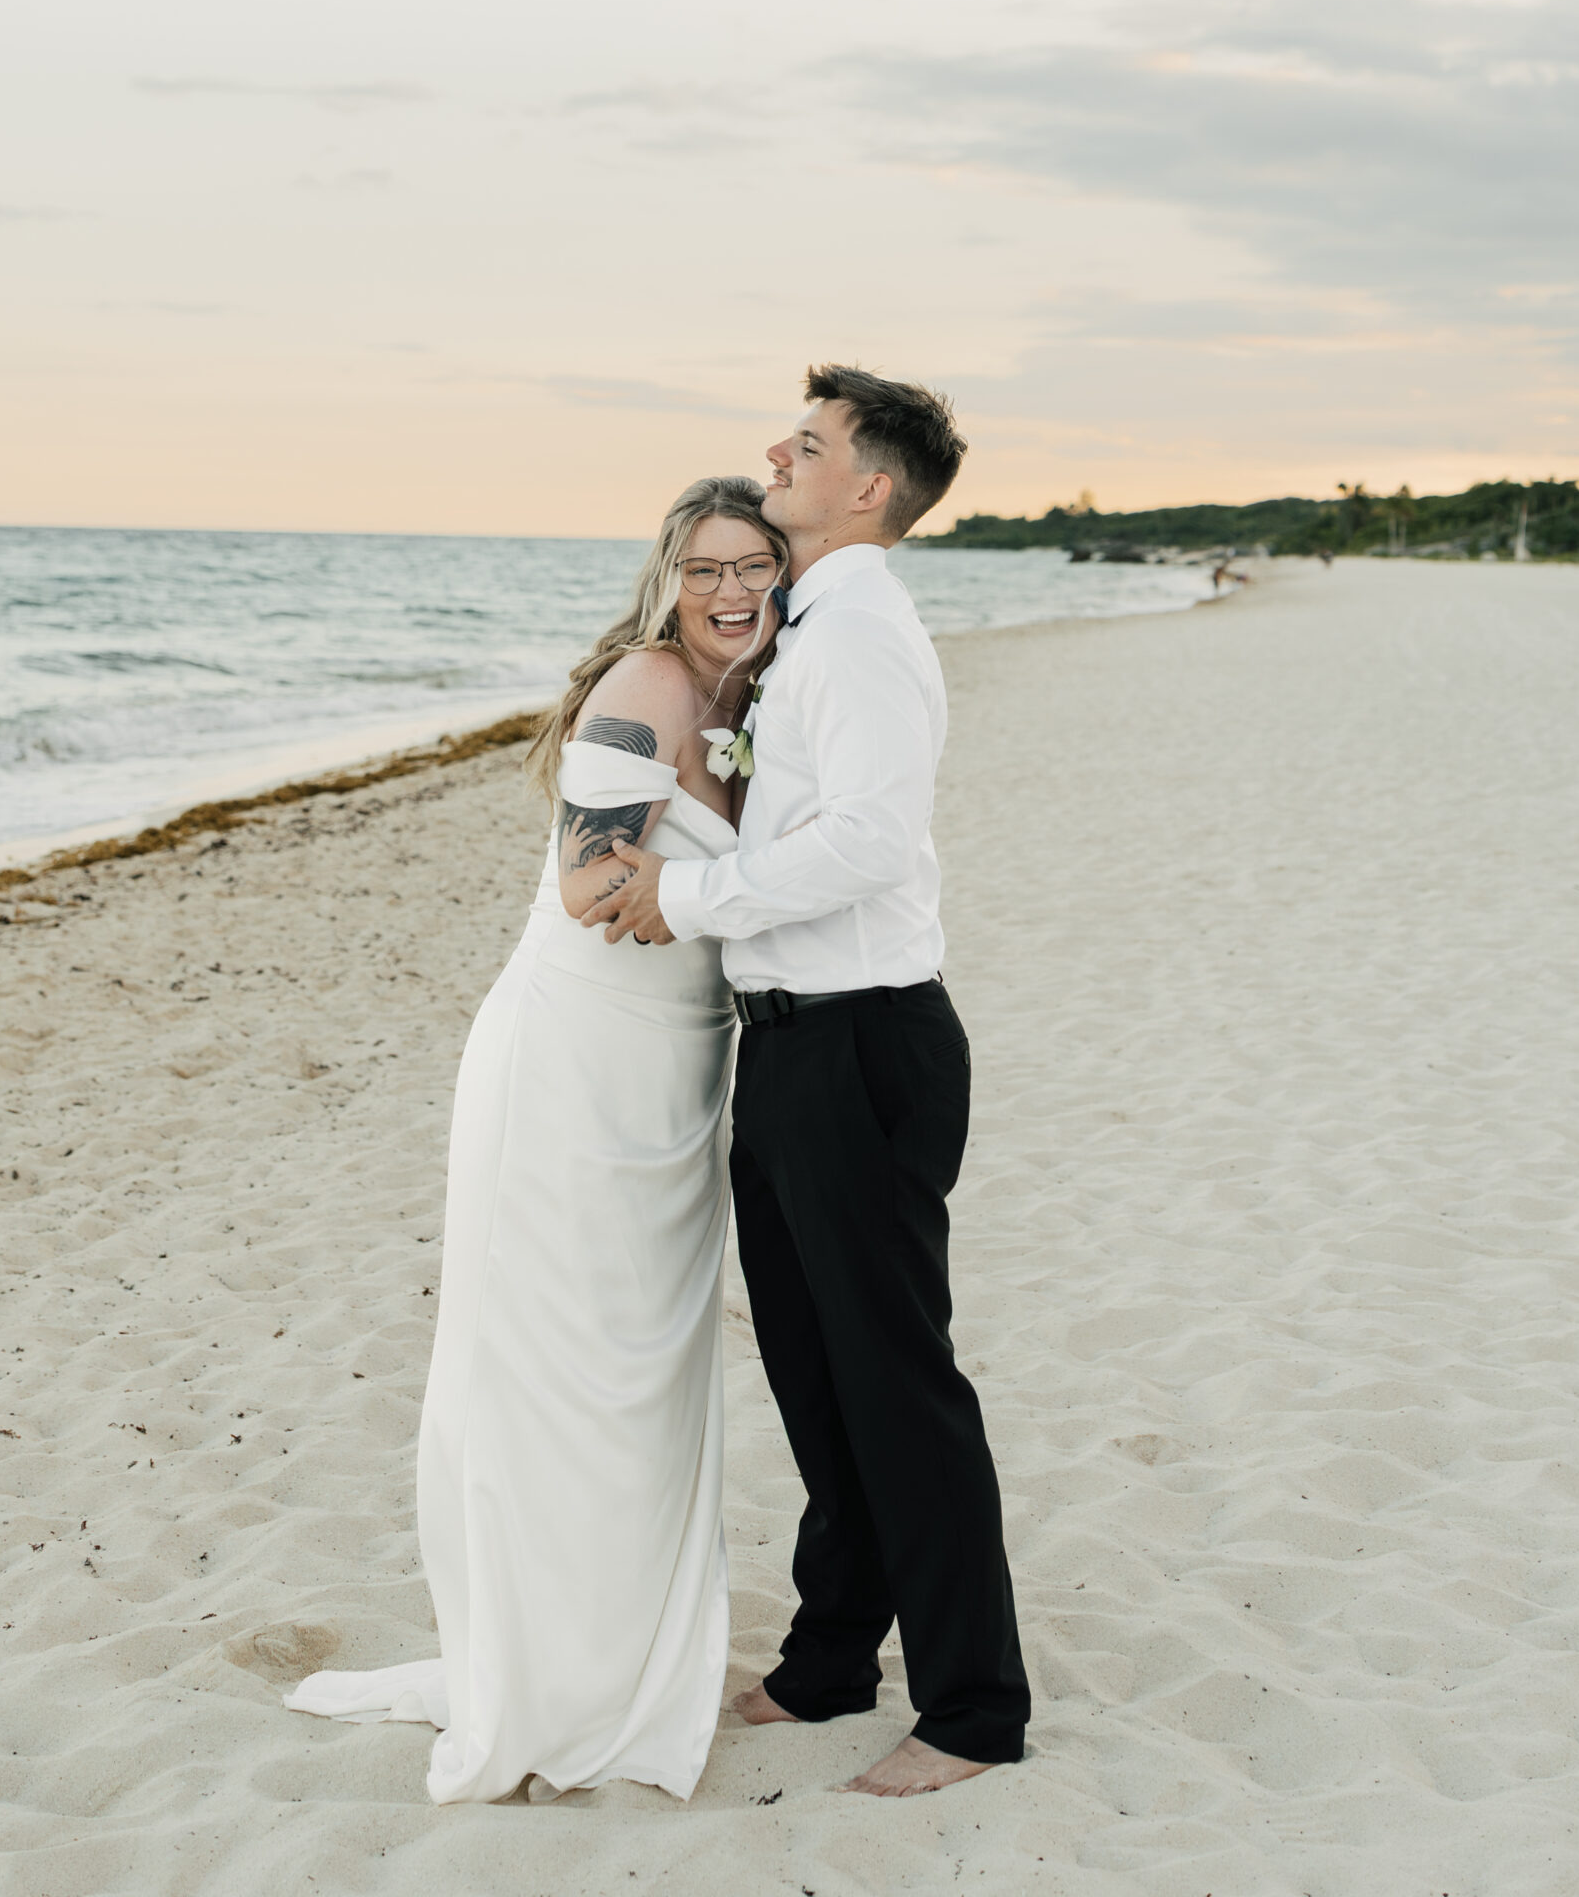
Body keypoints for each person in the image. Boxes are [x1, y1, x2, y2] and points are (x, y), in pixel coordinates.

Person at [285, 477, 784, 1803]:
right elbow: (592, 883)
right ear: (668, 580)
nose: (731, 592)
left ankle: (618, 1655)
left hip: (679, 1074)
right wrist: (765, 887)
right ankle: (550, 1673)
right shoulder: (650, 685)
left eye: (755, 567)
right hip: (573, 1063)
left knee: (644, 1370)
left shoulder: (753, 703)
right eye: (705, 569)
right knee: (558, 1366)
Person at [587, 365, 1031, 1798]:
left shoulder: (861, 638)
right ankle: (833, 1656)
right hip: (790, 1042)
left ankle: (974, 1709)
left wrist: (685, 896)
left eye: (813, 443)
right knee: (816, 1373)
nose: (781, 453)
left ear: (870, 488)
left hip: (863, 1043)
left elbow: (869, 844)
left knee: (896, 1385)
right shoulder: (815, 626)